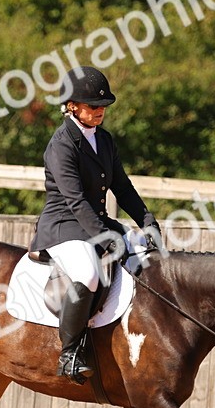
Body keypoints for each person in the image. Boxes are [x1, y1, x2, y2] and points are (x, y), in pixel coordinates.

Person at [29, 66, 163, 383]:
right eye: (93, 106)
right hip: (64, 225)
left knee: (145, 254)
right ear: (72, 106)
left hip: (96, 222)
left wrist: (147, 221)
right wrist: (106, 237)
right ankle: (70, 354)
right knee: (88, 272)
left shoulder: (104, 140)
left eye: (103, 106)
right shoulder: (61, 144)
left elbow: (123, 188)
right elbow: (75, 200)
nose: (100, 111)